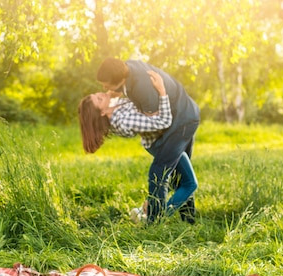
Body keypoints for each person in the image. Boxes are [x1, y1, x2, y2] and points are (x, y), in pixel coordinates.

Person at [78, 69, 198, 224]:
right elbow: (163, 121)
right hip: (162, 144)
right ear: (101, 112)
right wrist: (162, 90)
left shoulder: (112, 108)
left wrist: (112, 87)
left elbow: (119, 89)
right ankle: (158, 218)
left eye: (98, 94)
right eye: (99, 99)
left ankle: (146, 211)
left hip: (166, 140)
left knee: (179, 181)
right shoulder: (122, 121)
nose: (102, 94)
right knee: (190, 183)